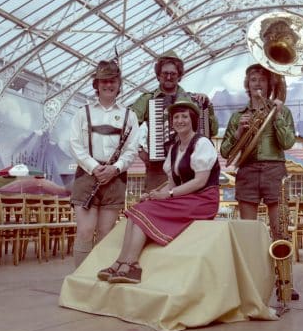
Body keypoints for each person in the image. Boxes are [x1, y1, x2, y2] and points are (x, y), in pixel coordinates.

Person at [97, 99, 220, 284]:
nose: (180, 120)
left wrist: (168, 195)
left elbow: (199, 181)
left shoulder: (202, 143)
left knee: (146, 210)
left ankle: (132, 265)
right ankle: (121, 261)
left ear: (193, 119)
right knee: (139, 207)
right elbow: (171, 182)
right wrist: (154, 193)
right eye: (176, 117)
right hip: (186, 196)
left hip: (203, 199)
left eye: (184, 116)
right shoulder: (175, 149)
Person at [220, 63, 299, 299]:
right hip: (248, 170)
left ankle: (285, 283)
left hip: (274, 168)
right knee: (249, 231)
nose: (257, 83)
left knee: (280, 230)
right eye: (253, 79)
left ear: (269, 84)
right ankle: (252, 282)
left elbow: (287, 143)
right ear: (247, 84)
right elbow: (225, 152)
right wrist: (238, 134)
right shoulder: (238, 116)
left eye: (262, 79)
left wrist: (276, 117)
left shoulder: (282, 111)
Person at [69, 58, 139, 268]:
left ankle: (97, 281)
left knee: (106, 233)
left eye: (113, 81)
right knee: (85, 231)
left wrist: (115, 169)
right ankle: (80, 280)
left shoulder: (129, 115)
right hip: (86, 177)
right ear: (96, 84)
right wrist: (94, 167)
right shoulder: (83, 113)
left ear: (119, 84)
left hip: (115, 179)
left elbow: (131, 149)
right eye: (104, 81)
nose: (108, 85)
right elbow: (75, 144)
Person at [130, 50, 219, 191]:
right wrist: (139, 150)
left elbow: (211, 132)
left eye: (173, 74)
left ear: (180, 76)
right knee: (157, 207)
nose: (169, 77)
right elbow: (128, 127)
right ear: (158, 75)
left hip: (189, 167)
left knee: (186, 210)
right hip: (158, 169)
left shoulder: (194, 100)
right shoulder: (147, 99)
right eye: (165, 73)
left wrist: (208, 107)